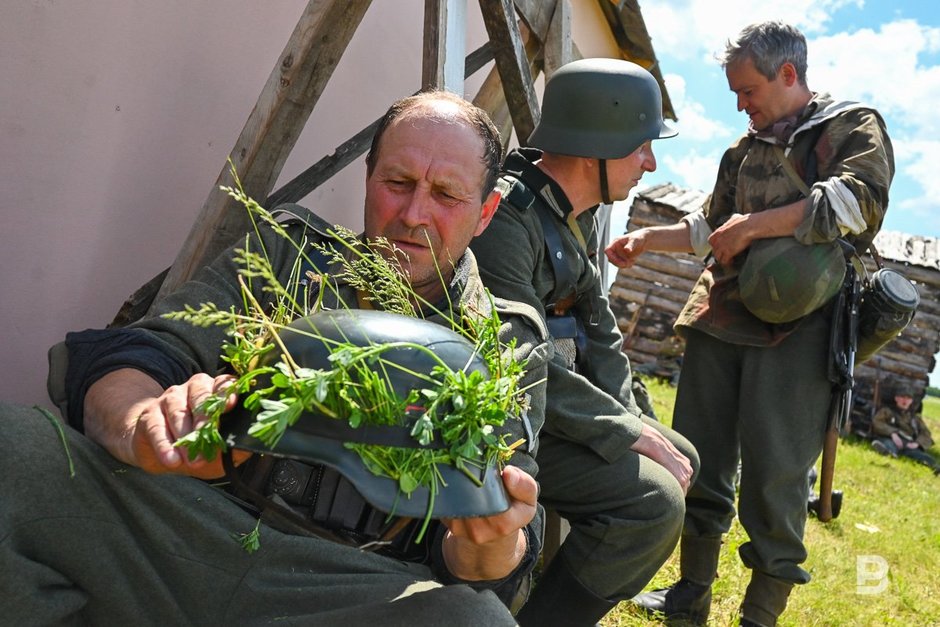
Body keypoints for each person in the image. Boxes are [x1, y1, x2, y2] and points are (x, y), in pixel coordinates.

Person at [1, 91, 553, 625]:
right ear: (368, 178)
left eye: (446, 195)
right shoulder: (288, 253)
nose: (413, 214)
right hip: (181, 528)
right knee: (15, 448)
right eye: (398, 182)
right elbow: (148, 349)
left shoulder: (506, 343)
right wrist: (136, 424)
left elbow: (489, 564)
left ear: (485, 213)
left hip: (346, 588)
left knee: (475, 621)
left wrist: (492, 539)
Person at [606, 22, 894, 626]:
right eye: (735, 93)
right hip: (719, 319)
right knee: (698, 463)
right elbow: (709, 226)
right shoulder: (742, 149)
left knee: (776, 482)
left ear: (789, 75)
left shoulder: (851, 127)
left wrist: (753, 227)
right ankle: (689, 598)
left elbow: (854, 203)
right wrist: (645, 242)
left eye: (748, 90)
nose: (741, 104)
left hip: (801, 331)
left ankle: (758, 619)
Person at [469, 58, 699, 626]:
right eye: (641, 145)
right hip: (507, 414)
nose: (650, 162)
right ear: (599, 139)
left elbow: (601, 333)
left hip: (552, 408)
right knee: (653, 502)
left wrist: (631, 419)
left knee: (681, 455)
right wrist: (625, 432)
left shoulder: (572, 214)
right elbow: (515, 357)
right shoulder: (508, 219)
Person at [871, 384, 939, 474]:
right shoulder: (887, 411)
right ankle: (889, 453)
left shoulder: (915, 419)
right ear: (896, 398)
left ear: (911, 401)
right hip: (890, 439)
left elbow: (926, 433)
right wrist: (893, 433)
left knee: (922, 456)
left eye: (908, 398)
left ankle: (935, 468)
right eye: (902, 397)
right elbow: (877, 423)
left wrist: (917, 444)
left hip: (909, 444)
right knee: (887, 444)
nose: (905, 400)